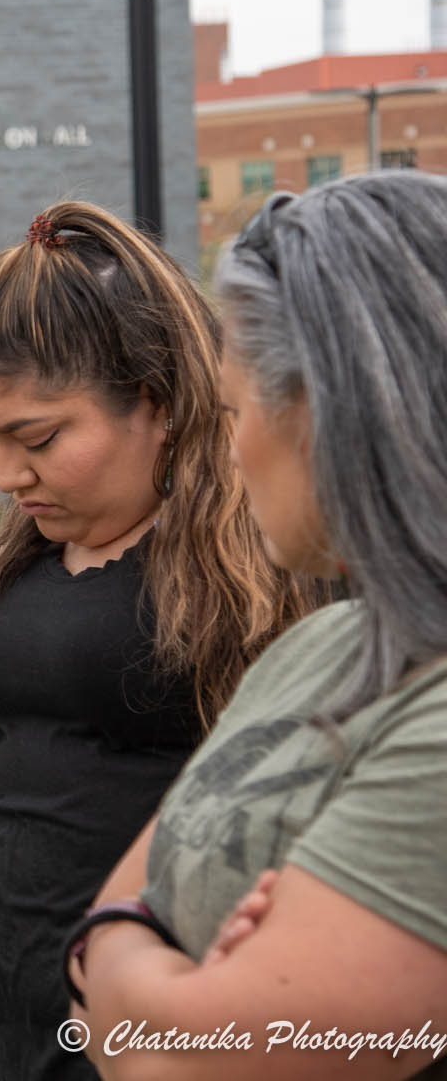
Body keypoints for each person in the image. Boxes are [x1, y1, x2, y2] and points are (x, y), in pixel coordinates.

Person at [69, 172, 447, 1079]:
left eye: (235, 409)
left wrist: (140, 963)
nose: (228, 446)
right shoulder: (326, 645)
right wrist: (149, 966)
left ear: (326, 414)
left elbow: (190, 1066)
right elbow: (93, 954)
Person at [0, 202, 319, 1080]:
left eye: (37, 437)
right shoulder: (30, 550)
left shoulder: (260, 559)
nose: (5, 474)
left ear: (155, 399)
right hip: (15, 976)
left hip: (168, 988)